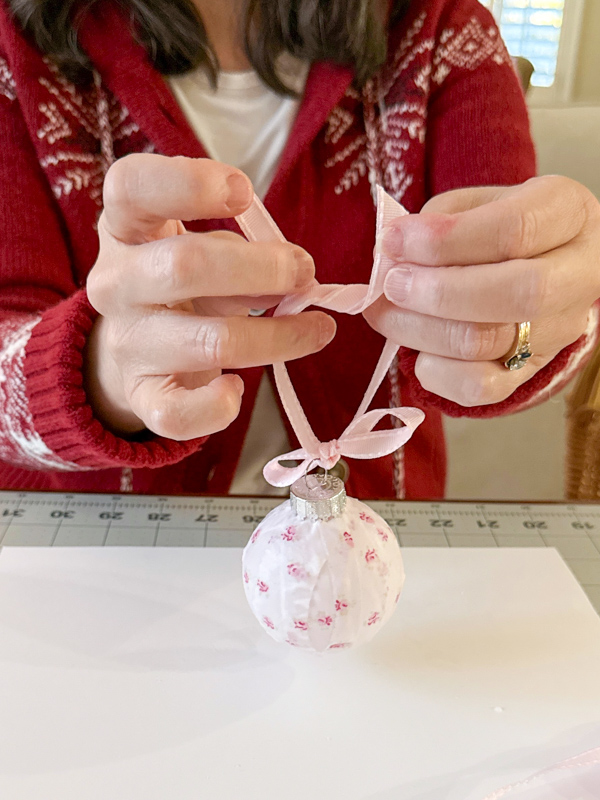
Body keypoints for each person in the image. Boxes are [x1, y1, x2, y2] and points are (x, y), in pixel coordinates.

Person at [0, 0, 598, 500]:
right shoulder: (14, 47)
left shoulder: (439, 26)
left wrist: (535, 323)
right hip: (93, 557)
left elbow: (524, 321)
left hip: (372, 550)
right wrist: (99, 372)